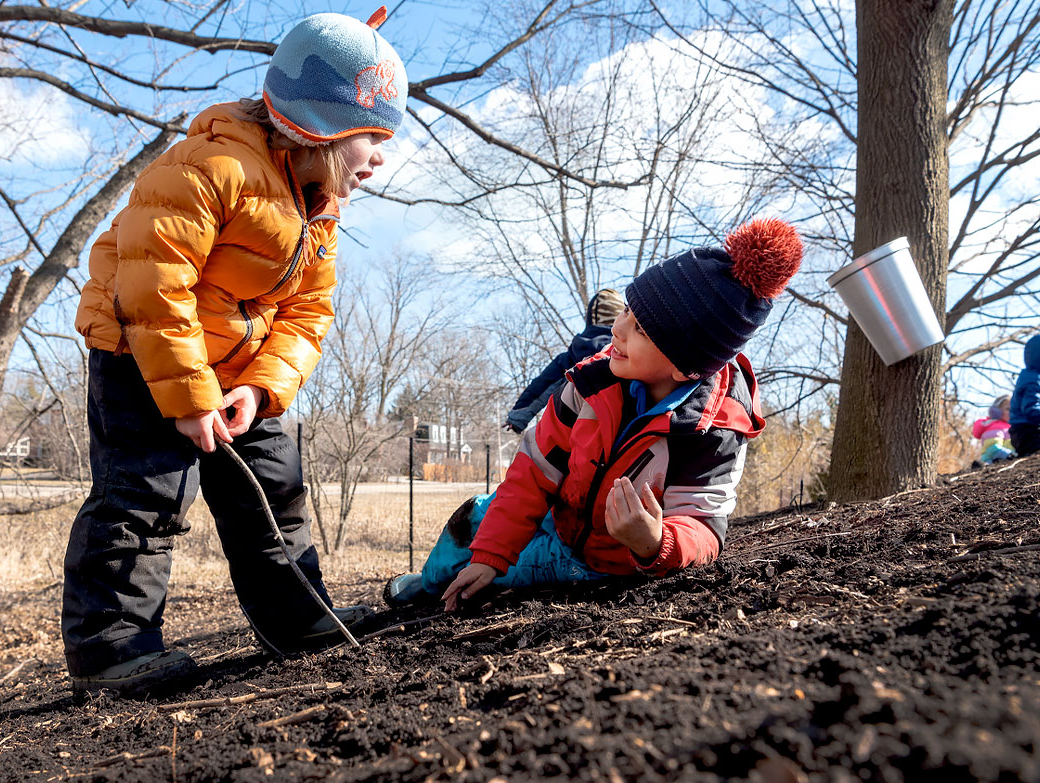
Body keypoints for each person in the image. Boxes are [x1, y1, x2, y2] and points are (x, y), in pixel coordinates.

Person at [63, 7, 408, 700]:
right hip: (142, 351)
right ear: (319, 124)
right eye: (372, 136)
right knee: (144, 495)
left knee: (274, 488)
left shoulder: (319, 211)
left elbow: (308, 313)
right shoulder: (208, 167)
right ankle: (112, 652)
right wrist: (186, 397)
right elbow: (152, 283)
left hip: (232, 370)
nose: (379, 157)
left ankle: (298, 618)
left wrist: (260, 389)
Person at [385, 219, 804, 609]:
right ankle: (431, 582)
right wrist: (491, 551)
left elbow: (704, 526)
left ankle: (453, 591)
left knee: (501, 574)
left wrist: (655, 542)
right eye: (626, 311)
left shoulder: (714, 429)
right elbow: (533, 470)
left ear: (683, 365)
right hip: (560, 516)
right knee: (477, 516)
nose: (618, 330)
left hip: (604, 561)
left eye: (640, 329)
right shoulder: (592, 380)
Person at [502, 289, 626, 433]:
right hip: (625, 433)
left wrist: (518, 417)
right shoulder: (628, 352)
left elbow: (541, 385)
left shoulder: (570, 356)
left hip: (578, 432)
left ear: (589, 320)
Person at [970, 395, 1015, 466]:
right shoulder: (995, 426)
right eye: (1008, 409)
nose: (1011, 412)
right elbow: (992, 449)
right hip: (992, 461)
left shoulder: (1009, 426)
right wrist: (1010, 455)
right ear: (996, 411)